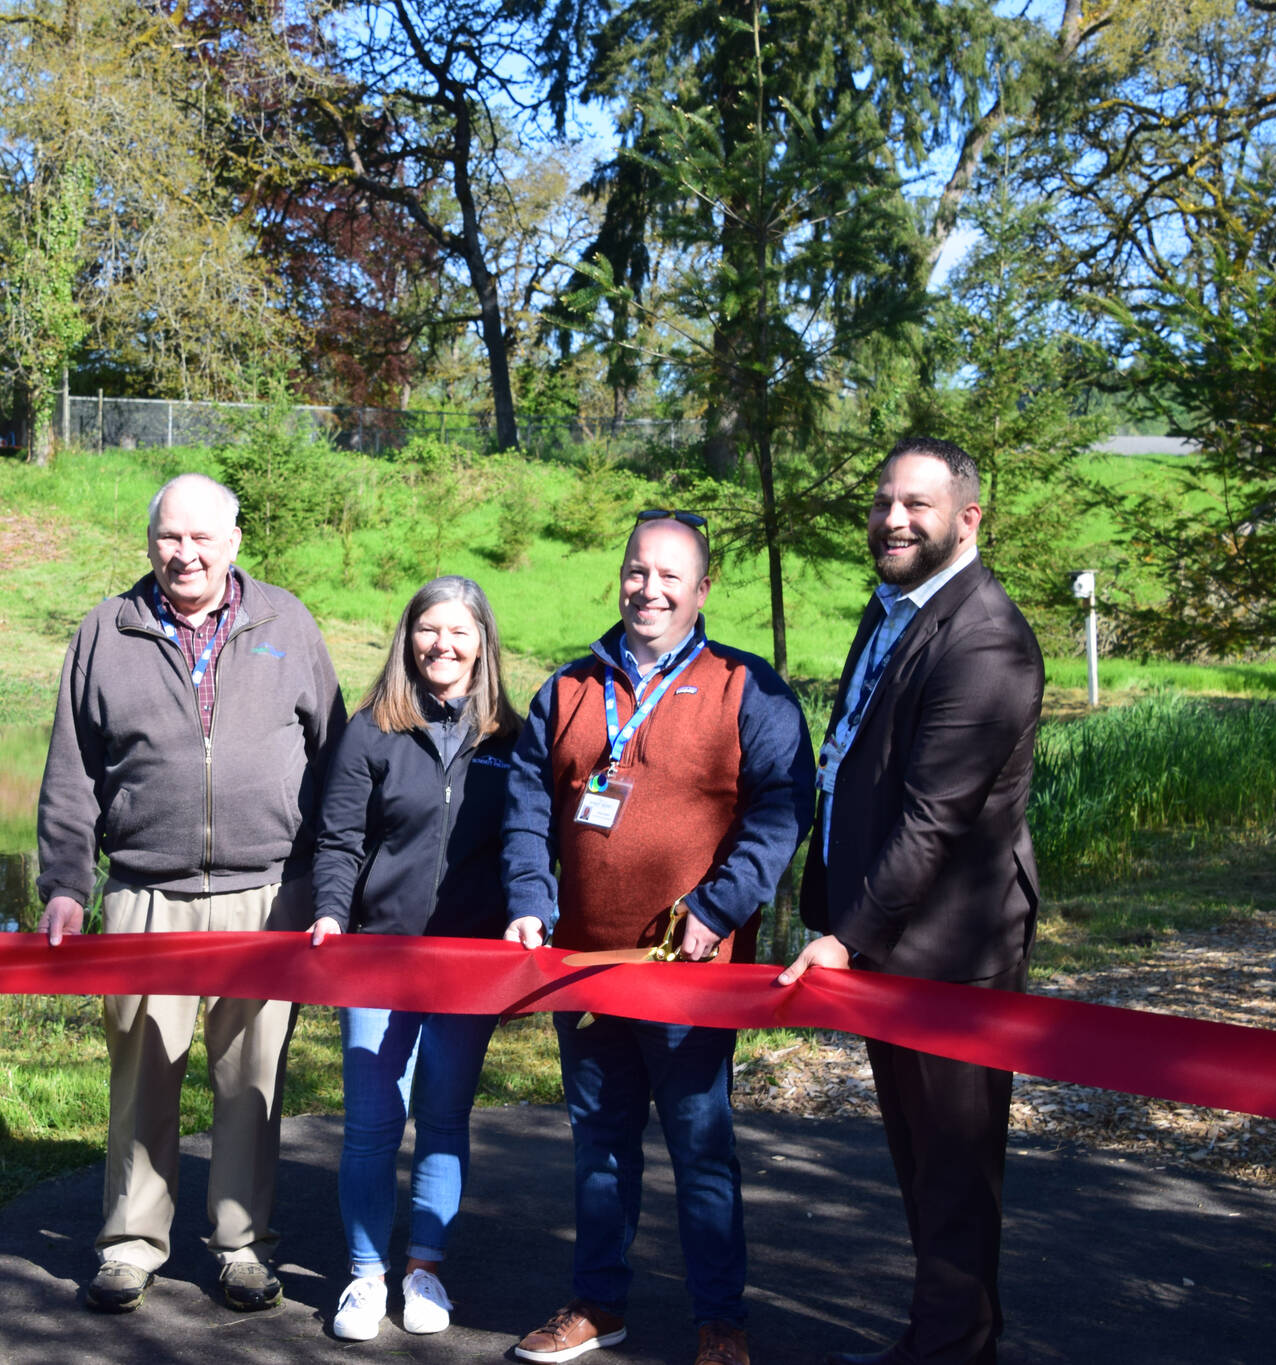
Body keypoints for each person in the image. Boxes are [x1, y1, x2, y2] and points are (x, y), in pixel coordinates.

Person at [501, 512, 814, 1365]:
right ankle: (598, 1304)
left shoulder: (746, 686)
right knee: (598, 1146)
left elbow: (782, 811)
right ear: (621, 576)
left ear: (703, 588)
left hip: (690, 973)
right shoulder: (567, 688)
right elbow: (528, 805)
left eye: (671, 574)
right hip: (586, 971)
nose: (651, 588)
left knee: (699, 1147)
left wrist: (718, 909)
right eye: (638, 570)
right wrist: (530, 895)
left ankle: (721, 1321)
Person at [33, 472, 346, 1316]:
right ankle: (131, 1244)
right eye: (171, 536)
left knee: (252, 1077)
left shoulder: (287, 623)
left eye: (203, 537)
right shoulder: (108, 630)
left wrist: (327, 885)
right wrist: (66, 883)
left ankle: (243, 1245)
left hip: (267, 891)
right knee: (143, 1072)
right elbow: (72, 776)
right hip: (146, 892)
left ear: (235, 543)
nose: (187, 553)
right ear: (149, 542)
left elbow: (336, 761)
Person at [781, 437, 1045, 1365]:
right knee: (920, 1159)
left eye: (917, 505)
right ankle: (943, 1340)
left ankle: (954, 1350)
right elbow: (854, 759)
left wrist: (846, 939)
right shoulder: (893, 606)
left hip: (953, 948)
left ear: (967, 519)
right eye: (885, 499)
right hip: (891, 937)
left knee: (955, 1165)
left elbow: (933, 819)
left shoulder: (987, 639)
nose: (893, 518)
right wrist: (830, 907)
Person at [308, 575, 522, 1342]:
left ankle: (424, 1267)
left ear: (483, 642)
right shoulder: (371, 729)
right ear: (409, 637)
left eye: (459, 630)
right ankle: (365, 1275)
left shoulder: (511, 738)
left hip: (468, 964)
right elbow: (339, 840)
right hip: (377, 955)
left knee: (443, 1118)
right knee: (370, 1121)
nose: (444, 643)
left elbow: (525, 846)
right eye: (430, 628)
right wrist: (332, 912)